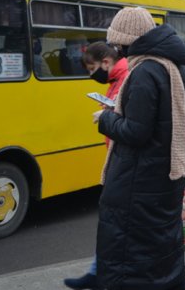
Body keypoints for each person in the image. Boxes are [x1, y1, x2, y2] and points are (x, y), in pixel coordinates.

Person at [94, 6, 185, 290]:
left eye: (118, 42)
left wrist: (106, 119)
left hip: (137, 184)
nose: (117, 49)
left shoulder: (143, 72)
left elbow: (136, 133)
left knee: (129, 259)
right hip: (165, 181)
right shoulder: (179, 70)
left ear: (129, 39)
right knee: (161, 256)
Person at [63, 41, 129, 290]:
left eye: (92, 69)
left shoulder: (127, 78)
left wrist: (106, 117)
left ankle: (99, 273)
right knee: (118, 223)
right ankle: (98, 272)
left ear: (106, 62)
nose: (92, 75)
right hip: (117, 157)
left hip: (124, 160)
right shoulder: (117, 79)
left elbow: (132, 123)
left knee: (116, 223)